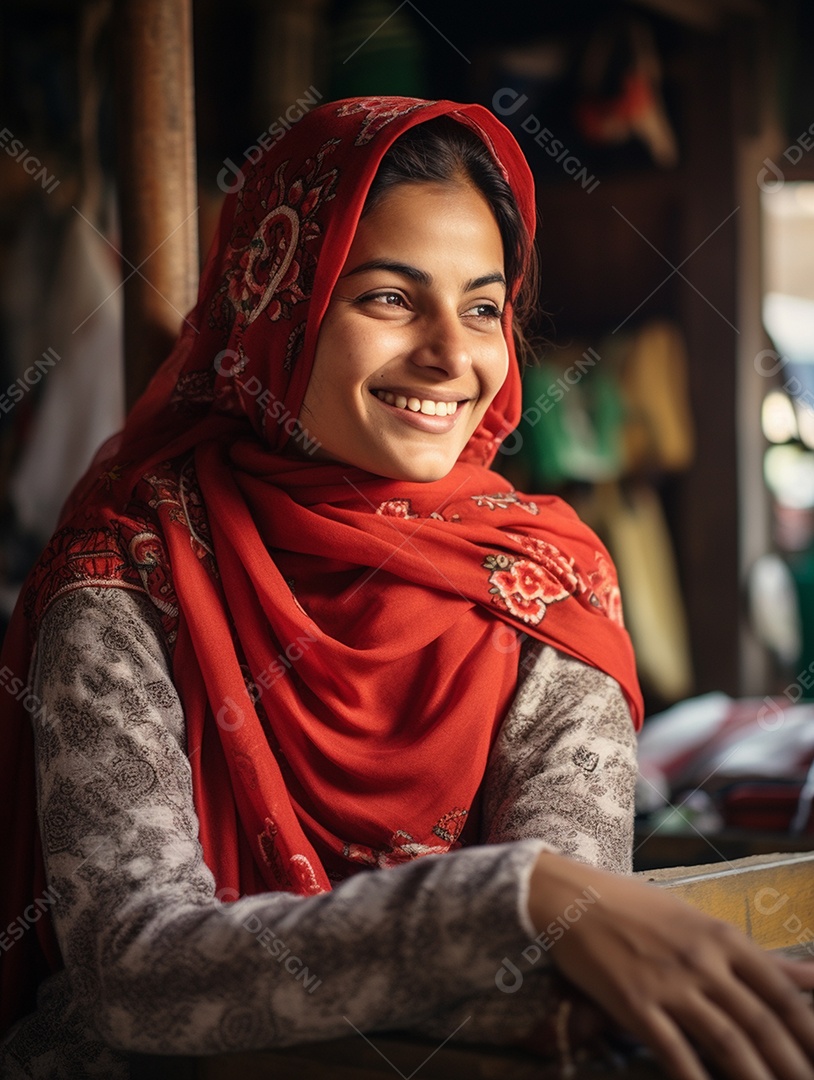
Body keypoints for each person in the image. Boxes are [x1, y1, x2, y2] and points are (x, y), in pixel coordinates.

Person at [0, 95, 812, 1080]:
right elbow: (137, 971)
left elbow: (564, 960)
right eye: (388, 297)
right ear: (277, 304)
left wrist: (542, 907)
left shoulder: (543, 587)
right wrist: (513, 897)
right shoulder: (128, 572)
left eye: (482, 306)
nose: (451, 356)